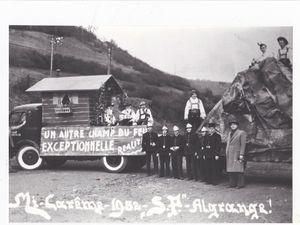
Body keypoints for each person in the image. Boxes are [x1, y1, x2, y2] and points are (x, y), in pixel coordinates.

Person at [225, 115, 247, 188]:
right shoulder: (229, 133)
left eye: (234, 124)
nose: (232, 126)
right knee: (231, 169)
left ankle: (240, 184)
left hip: (236, 153)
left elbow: (243, 145)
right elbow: (228, 143)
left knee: (239, 169)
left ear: (237, 125)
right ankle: (232, 184)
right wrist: (226, 152)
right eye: (231, 125)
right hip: (230, 153)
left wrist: (241, 154)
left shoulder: (242, 133)